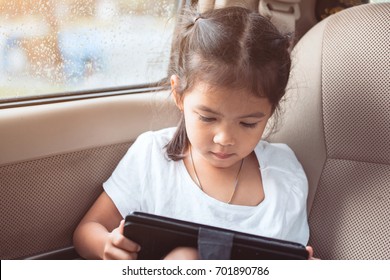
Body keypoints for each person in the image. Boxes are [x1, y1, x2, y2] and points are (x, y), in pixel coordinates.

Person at [73, 6, 314, 260]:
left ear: (271, 109)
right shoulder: (152, 159)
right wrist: (106, 245)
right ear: (178, 94)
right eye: (208, 118)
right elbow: (89, 229)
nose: (224, 139)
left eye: (248, 124)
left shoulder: (284, 175)